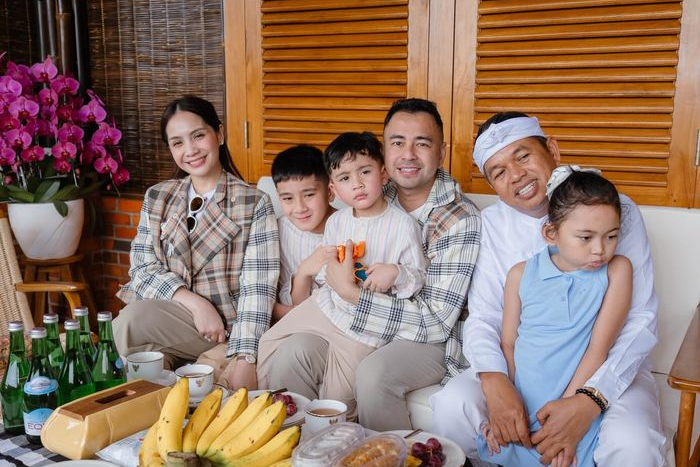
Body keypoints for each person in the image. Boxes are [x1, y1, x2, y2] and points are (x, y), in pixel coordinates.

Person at [431, 112, 665, 467]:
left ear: (552, 150)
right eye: (499, 172)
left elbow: (640, 320)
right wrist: (496, 382)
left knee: (633, 444)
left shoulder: (612, 209)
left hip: (608, 369)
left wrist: (590, 398)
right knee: (454, 404)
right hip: (526, 366)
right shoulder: (492, 224)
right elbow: (486, 316)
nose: (516, 175)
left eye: (523, 156)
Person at [325, 99, 482, 430]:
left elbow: (436, 323)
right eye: (397, 143)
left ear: (441, 152)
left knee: (374, 374)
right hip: (366, 319)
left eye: (422, 143)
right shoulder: (372, 192)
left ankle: (389, 452)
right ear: (384, 151)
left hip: (432, 340)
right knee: (296, 351)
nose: (408, 154)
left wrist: (353, 296)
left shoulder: (460, 218)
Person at [256, 131, 426, 419]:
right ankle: (274, 418)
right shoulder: (337, 221)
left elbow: (417, 276)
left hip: (366, 322)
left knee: (337, 399)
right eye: (345, 178)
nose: (357, 184)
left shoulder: (403, 225)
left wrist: (396, 272)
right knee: (269, 342)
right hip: (326, 305)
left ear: (383, 174)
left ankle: (333, 437)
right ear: (334, 188)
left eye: (365, 172)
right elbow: (326, 276)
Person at [114, 95, 279, 390]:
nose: (190, 150)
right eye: (177, 142)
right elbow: (141, 269)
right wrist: (195, 303)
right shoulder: (159, 196)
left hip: (227, 330)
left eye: (198, 136)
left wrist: (246, 356)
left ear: (219, 134)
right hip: (172, 320)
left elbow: (258, 288)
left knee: (131, 321)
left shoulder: (254, 202)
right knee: (135, 347)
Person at [477, 168, 632, 467]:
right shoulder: (520, 274)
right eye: (585, 237)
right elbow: (509, 344)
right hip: (524, 401)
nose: (600, 250)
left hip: (573, 399)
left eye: (611, 236)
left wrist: (564, 416)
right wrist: (509, 409)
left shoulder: (617, 270)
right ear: (551, 234)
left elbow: (598, 350)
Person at [271, 144, 336, 320]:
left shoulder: (348, 227)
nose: (300, 208)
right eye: (288, 198)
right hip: (296, 321)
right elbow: (292, 303)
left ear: (330, 191)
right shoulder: (277, 231)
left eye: (309, 195)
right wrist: (304, 271)